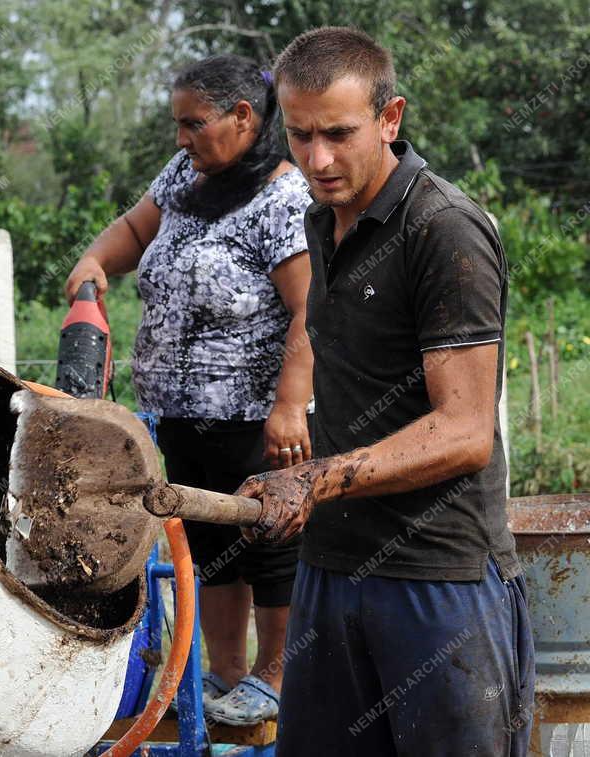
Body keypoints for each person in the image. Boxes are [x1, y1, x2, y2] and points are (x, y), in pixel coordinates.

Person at [235, 27, 534, 755]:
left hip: (438, 578)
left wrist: (315, 478)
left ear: (391, 118)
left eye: (339, 134)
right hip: (333, 568)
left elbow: (464, 431)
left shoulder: (444, 229)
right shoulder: (320, 218)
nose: (318, 159)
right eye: (301, 136)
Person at [65, 54, 315, 726]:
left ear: (242, 117)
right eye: (177, 124)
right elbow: (132, 229)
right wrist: (94, 260)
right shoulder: (186, 174)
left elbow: (308, 309)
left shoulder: (283, 196)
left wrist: (291, 404)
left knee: (270, 538)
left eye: (193, 124)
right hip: (180, 410)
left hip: (257, 415)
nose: (181, 139)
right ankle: (225, 671)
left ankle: (277, 673)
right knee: (211, 546)